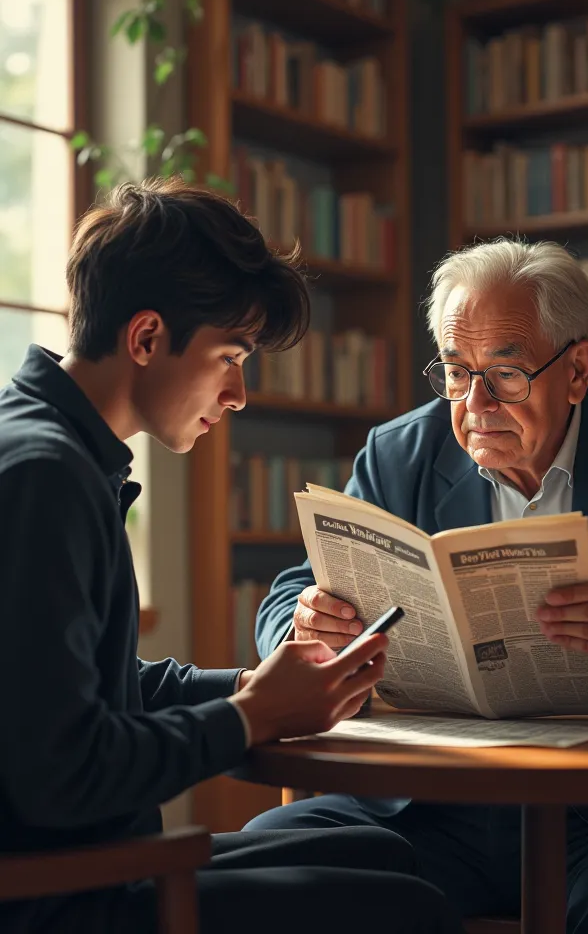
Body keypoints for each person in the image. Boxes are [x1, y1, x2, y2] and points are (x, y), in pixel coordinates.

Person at [0, 178, 455, 934]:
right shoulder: (45, 478)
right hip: (63, 898)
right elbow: (60, 772)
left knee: (380, 850)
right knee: (415, 911)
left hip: (98, 867)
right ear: (146, 339)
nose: (239, 394)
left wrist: (254, 686)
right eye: (230, 357)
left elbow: (82, 686)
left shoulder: (52, 449)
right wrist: (248, 718)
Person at [248, 238, 588, 934]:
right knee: (265, 864)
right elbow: (288, 595)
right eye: (456, 373)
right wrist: (306, 627)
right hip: (427, 805)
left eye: (506, 374)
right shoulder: (401, 453)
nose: (475, 404)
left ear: (577, 371)